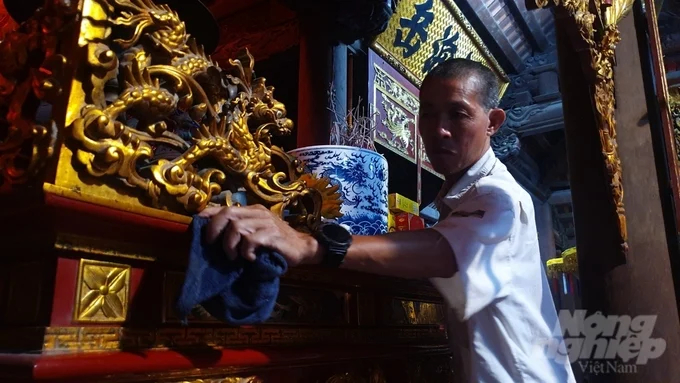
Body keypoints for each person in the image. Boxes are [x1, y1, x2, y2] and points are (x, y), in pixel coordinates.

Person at [199, 58, 576, 383]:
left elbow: (443, 252)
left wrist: (312, 244)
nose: (438, 129)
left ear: (492, 122)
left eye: (458, 114)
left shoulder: (501, 196)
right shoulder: (459, 197)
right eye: (427, 113)